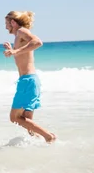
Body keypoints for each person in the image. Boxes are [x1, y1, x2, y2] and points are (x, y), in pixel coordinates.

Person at [4, 11, 56, 143]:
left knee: (14, 117)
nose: (5, 27)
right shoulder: (18, 36)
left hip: (28, 81)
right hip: (30, 80)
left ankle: (48, 136)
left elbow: (38, 42)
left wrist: (15, 50)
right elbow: (23, 57)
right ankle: (38, 142)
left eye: (6, 23)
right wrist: (13, 50)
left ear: (13, 23)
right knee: (27, 119)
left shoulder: (22, 31)